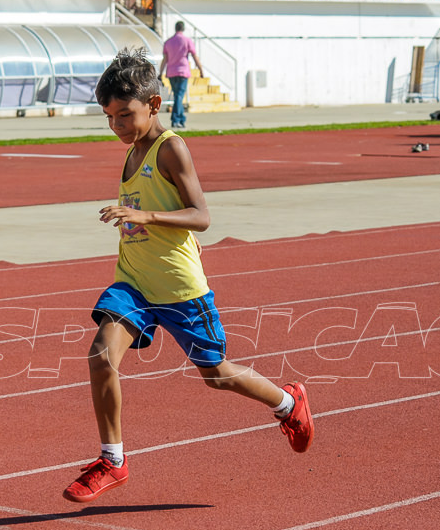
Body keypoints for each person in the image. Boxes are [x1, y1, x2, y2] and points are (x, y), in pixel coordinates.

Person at [61, 49, 314, 503]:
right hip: (134, 284)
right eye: (108, 117)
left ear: (154, 105)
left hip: (179, 289)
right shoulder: (132, 150)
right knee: (100, 358)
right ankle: (112, 460)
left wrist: (145, 215)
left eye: (125, 115)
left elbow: (201, 216)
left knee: (216, 374)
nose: (116, 126)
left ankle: (289, 402)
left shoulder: (170, 147)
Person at [158, 21, 204, 130]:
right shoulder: (187, 41)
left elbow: (165, 59)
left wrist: (160, 72)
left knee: (177, 95)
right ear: (183, 29)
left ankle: (181, 118)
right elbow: (194, 56)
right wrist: (201, 69)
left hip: (171, 72)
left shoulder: (168, 42)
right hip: (183, 70)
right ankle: (176, 119)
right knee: (179, 96)